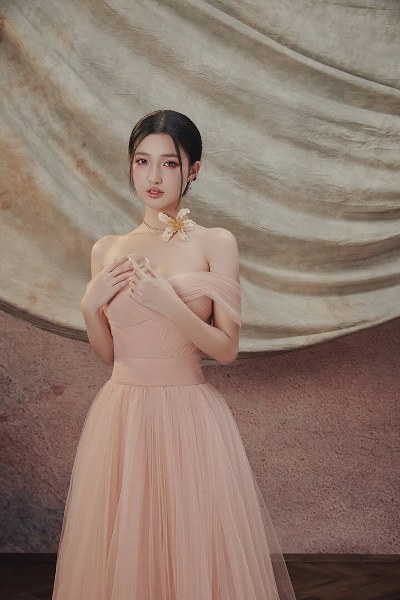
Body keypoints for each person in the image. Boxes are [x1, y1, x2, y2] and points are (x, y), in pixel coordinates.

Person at [51, 109, 297, 599]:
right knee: (125, 551)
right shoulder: (107, 249)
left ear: (193, 171)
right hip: (121, 413)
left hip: (188, 413)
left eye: (169, 163)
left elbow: (226, 349)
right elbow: (110, 356)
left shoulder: (215, 243)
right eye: (142, 161)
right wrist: (88, 307)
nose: (153, 176)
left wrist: (171, 306)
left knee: (190, 548)